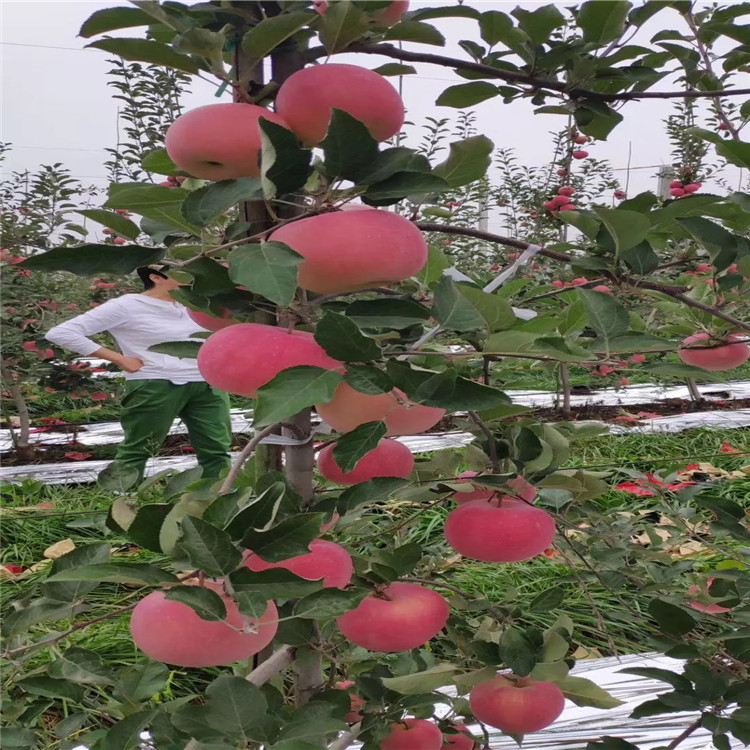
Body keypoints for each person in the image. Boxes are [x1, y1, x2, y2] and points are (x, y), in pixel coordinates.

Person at [46, 265, 232, 485]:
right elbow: (61, 333)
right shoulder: (127, 306)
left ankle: (216, 497)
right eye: (182, 273)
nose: (191, 278)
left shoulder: (198, 305)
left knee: (217, 449)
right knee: (139, 449)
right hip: (156, 383)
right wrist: (120, 359)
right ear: (156, 277)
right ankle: (123, 503)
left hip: (208, 384)